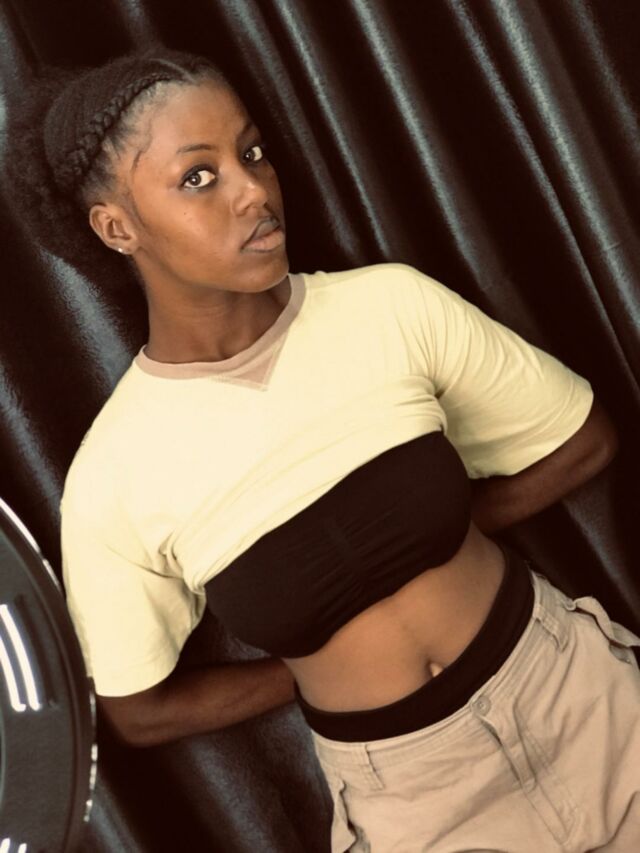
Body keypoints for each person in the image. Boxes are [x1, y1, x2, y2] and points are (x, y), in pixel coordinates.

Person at [7, 46, 639, 852]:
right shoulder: (114, 474)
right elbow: (139, 709)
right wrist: (307, 666)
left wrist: (434, 532)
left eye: (253, 153)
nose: (253, 191)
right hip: (413, 800)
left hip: (579, 697)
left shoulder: (389, 308)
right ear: (116, 226)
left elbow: (584, 440)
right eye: (198, 177)